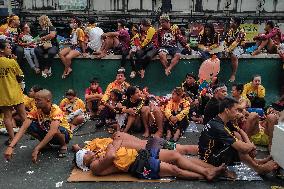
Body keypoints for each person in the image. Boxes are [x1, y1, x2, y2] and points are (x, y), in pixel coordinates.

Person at [74, 135, 225, 181]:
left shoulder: (98, 154)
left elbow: (117, 141)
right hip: (138, 166)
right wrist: (112, 146)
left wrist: (114, 144)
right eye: (85, 154)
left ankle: (208, 170)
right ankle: (206, 174)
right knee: (174, 170)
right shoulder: (95, 167)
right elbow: (112, 153)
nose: (88, 151)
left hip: (142, 154)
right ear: (84, 163)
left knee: (176, 155)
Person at [198, 97, 278, 174]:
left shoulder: (225, 120)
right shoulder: (218, 126)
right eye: (236, 110)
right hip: (209, 160)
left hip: (215, 151)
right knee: (238, 147)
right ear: (227, 110)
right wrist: (251, 147)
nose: (238, 113)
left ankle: (255, 161)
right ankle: (258, 169)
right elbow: (242, 148)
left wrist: (249, 144)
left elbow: (240, 130)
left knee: (239, 140)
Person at [4, 89, 73, 163]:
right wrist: (11, 146)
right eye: (35, 100)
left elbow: (53, 131)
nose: (35, 102)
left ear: (48, 100)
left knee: (55, 129)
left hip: (63, 135)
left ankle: (63, 145)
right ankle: (46, 145)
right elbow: (24, 127)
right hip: (47, 131)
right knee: (29, 126)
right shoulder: (36, 109)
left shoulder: (56, 110)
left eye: (38, 100)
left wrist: (37, 148)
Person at [0, 40, 26, 145]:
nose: (10, 48)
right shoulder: (11, 62)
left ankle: (12, 139)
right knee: (24, 116)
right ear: (1, 50)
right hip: (15, 92)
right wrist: (15, 61)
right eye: (7, 47)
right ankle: (35, 135)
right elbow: (20, 76)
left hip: (3, 94)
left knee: (7, 116)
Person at [224, 17, 246, 82]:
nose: (230, 22)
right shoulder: (231, 31)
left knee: (233, 55)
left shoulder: (241, 31)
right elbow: (226, 41)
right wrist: (224, 48)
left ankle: (233, 75)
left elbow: (236, 42)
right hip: (230, 47)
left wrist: (228, 50)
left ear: (236, 23)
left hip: (239, 47)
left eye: (231, 21)